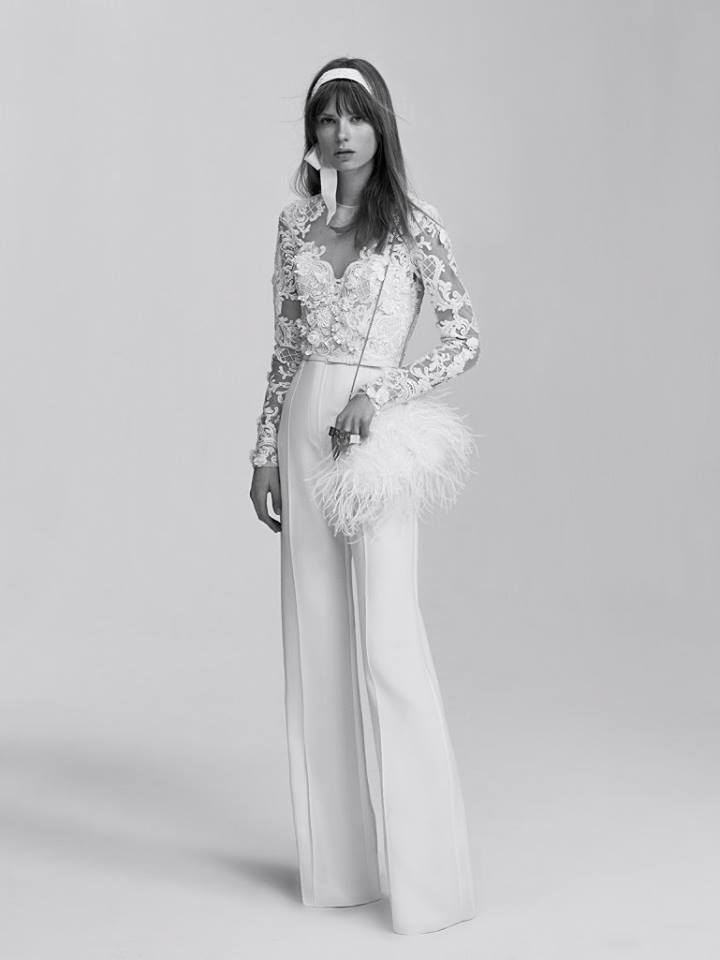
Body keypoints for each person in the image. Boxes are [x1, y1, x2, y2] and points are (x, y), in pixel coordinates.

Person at [249, 57, 481, 936]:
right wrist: (263, 451)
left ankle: (432, 889)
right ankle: (341, 873)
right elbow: (284, 348)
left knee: (387, 639)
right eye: (325, 117)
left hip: (371, 435)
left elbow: (463, 340)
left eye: (355, 116)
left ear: (381, 125)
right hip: (302, 423)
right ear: (311, 133)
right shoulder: (293, 224)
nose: (340, 133)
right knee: (316, 639)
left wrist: (379, 393)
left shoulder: (415, 224)